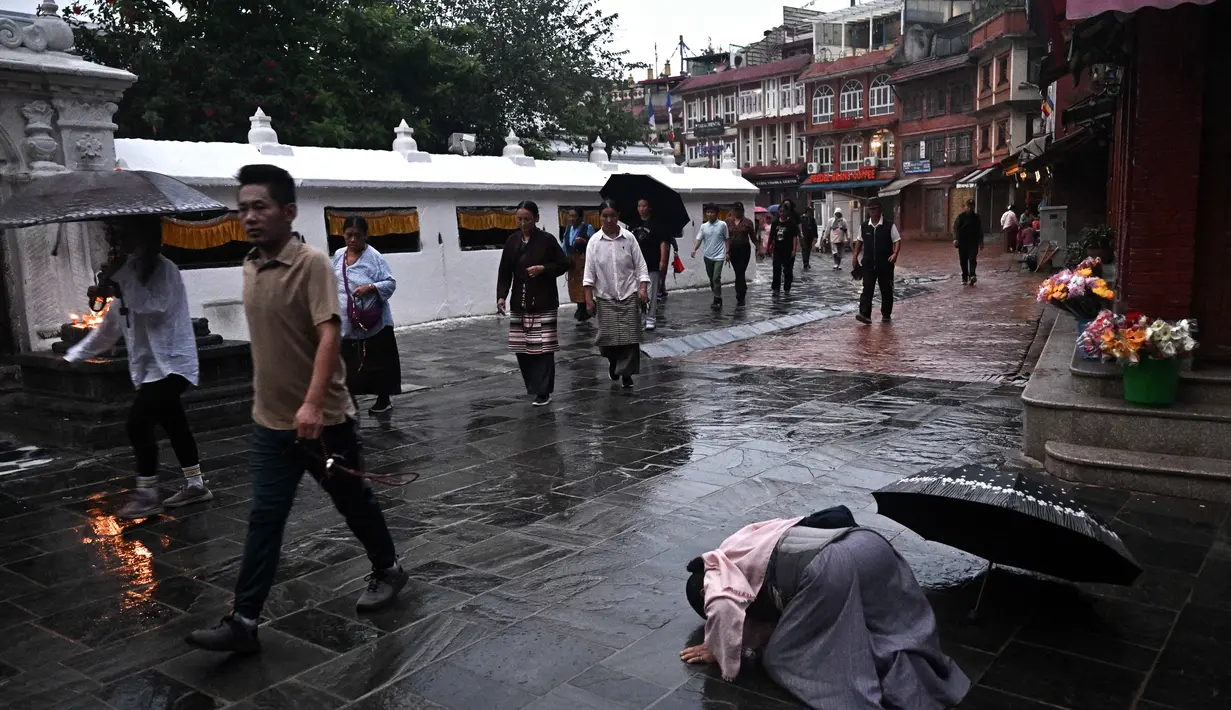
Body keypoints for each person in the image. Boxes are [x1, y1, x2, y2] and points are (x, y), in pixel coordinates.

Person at [187, 164, 407, 653]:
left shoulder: (312, 265)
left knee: (353, 502)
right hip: (270, 423)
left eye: (259, 207)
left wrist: (311, 404)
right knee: (265, 516)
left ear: (288, 211)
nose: (249, 217)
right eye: (242, 207)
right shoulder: (250, 265)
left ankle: (389, 568)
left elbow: (330, 331)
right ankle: (243, 620)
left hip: (323, 419)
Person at [679, 510, 970, 709]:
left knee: (787, 656)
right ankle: (928, 685)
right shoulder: (737, 545)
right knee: (884, 632)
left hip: (833, 566)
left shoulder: (715, 581)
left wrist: (720, 647)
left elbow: (724, 610)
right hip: (870, 543)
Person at [64, 217, 211, 519]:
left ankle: (147, 492)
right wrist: (73, 356)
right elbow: (109, 330)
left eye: (125, 233)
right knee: (174, 423)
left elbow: (155, 307)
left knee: (138, 423)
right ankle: (195, 483)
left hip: (172, 364)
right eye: (116, 235)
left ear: (143, 234)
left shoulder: (164, 269)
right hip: (147, 368)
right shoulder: (127, 272)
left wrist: (121, 284)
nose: (119, 241)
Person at [497, 200, 570, 406]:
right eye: (519, 219)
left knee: (544, 348)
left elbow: (564, 264)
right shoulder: (512, 242)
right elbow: (505, 271)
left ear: (536, 219)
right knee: (523, 348)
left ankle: (544, 390)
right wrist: (501, 295)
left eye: (527, 219)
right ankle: (533, 385)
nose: (523, 223)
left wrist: (543, 269)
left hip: (544, 299)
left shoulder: (547, 240)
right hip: (520, 300)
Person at [332, 216, 401, 415]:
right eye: (348, 235)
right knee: (348, 362)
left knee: (379, 361)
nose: (352, 240)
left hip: (373, 318)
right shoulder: (338, 255)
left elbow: (390, 283)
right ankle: (348, 399)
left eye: (357, 236)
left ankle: (383, 398)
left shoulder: (375, 257)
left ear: (366, 236)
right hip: (348, 319)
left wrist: (370, 287)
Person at [585, 199, 650, 389]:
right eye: (605, 216)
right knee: (608, 339)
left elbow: (640, 265)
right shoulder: (594, 242)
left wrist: (643, 288)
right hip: (605, 297)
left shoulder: (629, 238)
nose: (609, 219)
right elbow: (589, 274)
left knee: (630, 338)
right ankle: (614, 362)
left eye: (612, 215)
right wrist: (589, 299)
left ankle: (626, 374)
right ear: (600, 217)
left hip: (629, 294)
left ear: (618, 217)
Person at [852, 197, 901, 324]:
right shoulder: (864, 227)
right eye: (870, 209)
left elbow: (897, 240)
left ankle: (886, 314)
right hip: (868, 263)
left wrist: (895, 254)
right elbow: (859, 241)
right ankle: (864, 314)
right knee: (867, 288)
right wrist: (855, 256)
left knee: (886, 289)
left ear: (880, 209)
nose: (872, 211)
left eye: (875, 209)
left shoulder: (889, 225)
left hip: (885, 264)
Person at [631, 198, 669, 331]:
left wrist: (663, 260)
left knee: (651, 291)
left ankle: (651, 317)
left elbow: (663, 242)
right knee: (637, 292)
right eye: (639, 206)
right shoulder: (633, 224)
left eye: (644, 206)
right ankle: (641, 317)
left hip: (651, 261)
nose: (641, 208)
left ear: (649, 208)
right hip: (635, 263)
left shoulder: (657, 224)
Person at [692, 203, 729, 310]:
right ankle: (716, 296)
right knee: (712, 279)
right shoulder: (704, 226)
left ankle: (717, 299)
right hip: (707, 256)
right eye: (708, 212)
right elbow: (699, 239)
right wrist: (695, 249)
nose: (709, 214)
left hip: (719, 256)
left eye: (712, 212)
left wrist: (727, 252)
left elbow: (727, 239)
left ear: (716, 213)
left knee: (716, 277)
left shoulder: (722, 225)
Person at [560, 206, 594, 321]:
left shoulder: (587, 227)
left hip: (583, 260)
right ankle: (580, 307)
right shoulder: (568, 228)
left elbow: (594, 244)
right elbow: (565, 244)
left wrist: (585, 241)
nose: (571, 218)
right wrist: (563, 258)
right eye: (570, 216)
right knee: (574, 285)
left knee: (583, 285)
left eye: (574, 216)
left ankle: (584, 308)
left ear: (580, 217)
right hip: (572, 261)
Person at [725, 202, 757, 307]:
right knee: (737, 271)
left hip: (744, 249)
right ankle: (742, 289)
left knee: (740, 270)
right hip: (733, 249)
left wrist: (759, 248)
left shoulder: (748, 222)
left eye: (739, 210)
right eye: (735, 210)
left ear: (742, 211)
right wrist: (726, 251)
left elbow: (753, 237)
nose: (737, 212)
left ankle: (739, 292)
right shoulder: (728, 222)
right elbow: (726, 237)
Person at [769, 199, 800, 294]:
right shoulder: (775, 223)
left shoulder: (791, 224)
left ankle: (787, 288)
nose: (782, 213)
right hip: (777, 249)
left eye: (784, 211)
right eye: (780, 211)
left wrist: (794, 250)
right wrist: (768, 247)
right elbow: (772, 236)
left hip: (788, 249)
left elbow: (794, 237)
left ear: (787, 212)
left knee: (787, 270)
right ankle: (776, 288)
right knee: (776, 269)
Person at [952, 199, 984, 286]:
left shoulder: (977, 217)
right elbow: (955, 228)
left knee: (972, 259)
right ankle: (964, 277)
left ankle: (972, 275)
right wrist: (955, 239)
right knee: (963, 261)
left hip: (973, 242)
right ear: (966, 207)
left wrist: (981, 242)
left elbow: (980, 230)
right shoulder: (961, 217)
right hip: (962, 242)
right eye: (969, 206)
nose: (970, 208)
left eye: (972, 206)